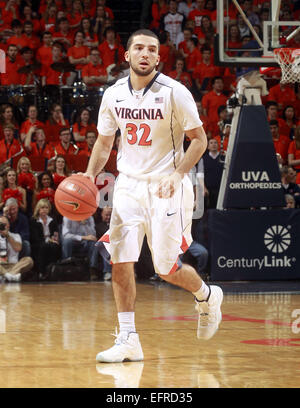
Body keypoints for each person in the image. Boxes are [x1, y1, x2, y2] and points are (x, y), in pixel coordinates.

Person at [82, 29, 223, 363]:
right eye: (138, 48)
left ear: (158, 58)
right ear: (127, 56)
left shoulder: (175, 92)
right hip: (129, 184)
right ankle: (128, 338)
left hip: (167, 185)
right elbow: (104, 142)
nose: (145, 54)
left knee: (164, 268)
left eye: (152, 50)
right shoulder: (114, 93)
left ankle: (206, 295)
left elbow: (199, 140)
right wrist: (89, 175)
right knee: (121, 260)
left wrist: (177, 176)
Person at [30, 198, 61, 280]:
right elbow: (35, 237)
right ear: (38, 209)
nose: (44, 210)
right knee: (44, 246)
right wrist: (48, 241)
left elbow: (55, 233)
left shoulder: (52, 220)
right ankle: (41, 272)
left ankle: (52, 271)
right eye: (42, 207)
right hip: (38, 243)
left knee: (55, 246)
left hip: (50, 242)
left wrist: (54, 240)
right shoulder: (34, 220)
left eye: (46, 208)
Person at [0, 214, 33, 282]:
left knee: (29, 260)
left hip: (14, 265)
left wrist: (7, 236)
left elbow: (18, 248)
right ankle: (10, 276)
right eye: (1, 224)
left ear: (8, 225)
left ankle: (7, 275)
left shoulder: (16, 236)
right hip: (0, 266)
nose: (2, 226)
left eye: (4, 224)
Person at [95, 206, 112, 281]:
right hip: (103, 247)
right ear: (102, 214)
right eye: (106, 215)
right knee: (106, 247)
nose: (108, 217)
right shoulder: (97, 226)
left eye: (110, 215)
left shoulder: (116, 225)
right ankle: (107, 271)